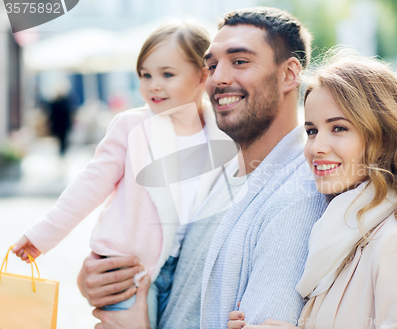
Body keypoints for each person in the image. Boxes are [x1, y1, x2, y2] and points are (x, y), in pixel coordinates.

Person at [79, 7, 329, 329]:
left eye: (239, 61)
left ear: (289, 74)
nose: (218, 78)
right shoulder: (218, 170)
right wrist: (99, 277)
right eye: (211, 65)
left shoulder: (296, 197)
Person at [11, 22, 231, 329]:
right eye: (145, 74)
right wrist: (41, 236)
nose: (153, 84)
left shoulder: (221, 135)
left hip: (180, 269)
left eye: (167, 74)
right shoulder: (131, 126)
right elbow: (89, 185)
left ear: (202, 75)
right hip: (125, 267)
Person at [227, 50, 397, 329]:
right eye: (312, 131)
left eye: (339, 128)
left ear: (384, 137)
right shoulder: (339, 231)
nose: (316, 147)